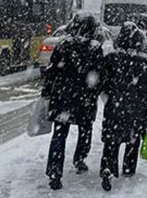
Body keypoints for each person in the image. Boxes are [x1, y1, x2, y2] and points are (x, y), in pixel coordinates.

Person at [41, 15, 104, 190]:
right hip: (85, 98)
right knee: (85, 129)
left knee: (59, 134)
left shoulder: (63, 45)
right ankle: (80, 158)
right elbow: (99, 74)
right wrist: (94, 89)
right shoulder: (94, 47)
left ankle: (54, 170)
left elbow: (52, 70)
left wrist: (47, 90)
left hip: (62, 97)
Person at [99, 23, 147, 191]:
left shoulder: (111, 58)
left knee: (111, 141)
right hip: (137, 109)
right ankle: (128, 168)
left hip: (114, 106)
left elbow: (102, 82)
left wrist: (108, 95)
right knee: (132, 140)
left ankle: (108, 168)